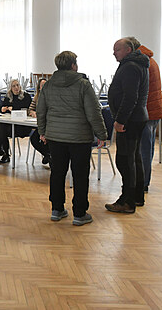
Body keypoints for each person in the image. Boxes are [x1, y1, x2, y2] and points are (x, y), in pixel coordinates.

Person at [37, 51, 107, 226]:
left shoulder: (48, 85)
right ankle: (79, 213)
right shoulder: (83, 84)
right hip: (79, 137)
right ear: (73, 65)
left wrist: (42, 131)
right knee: (80, 175)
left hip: (55, 137)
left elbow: (41, 110)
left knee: (57, 173)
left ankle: (57, 209)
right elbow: (94, 112)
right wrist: (102, 134)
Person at [105, 38, 149, 214]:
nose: (113, 53)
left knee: (125, 160)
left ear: (128, 50)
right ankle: (137, 196)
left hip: (130, 120)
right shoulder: (138, 63)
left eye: (117, 49)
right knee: (134, 158)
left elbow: (130, 97)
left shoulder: (130, 66)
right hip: (137, 117)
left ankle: (127, 201)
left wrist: (120, 120)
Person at [126, 37, 162, 194]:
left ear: (130, 49)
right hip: (152, 111)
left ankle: (141, 184)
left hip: (146, 112)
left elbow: (135, 92)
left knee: (142, 151)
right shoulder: (148, 59)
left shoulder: (141, 63)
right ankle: (143, 182)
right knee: (147, 150)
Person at [0, 79, 32, 164]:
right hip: (11, 124)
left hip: (23, 126)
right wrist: (2, 109)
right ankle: (4, 152)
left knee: (2, 130)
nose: (16, 87)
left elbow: (25, 110)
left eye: (17, 85)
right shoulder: (8, 96)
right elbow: (1, 107)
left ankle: (2, 151)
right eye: (14, 86)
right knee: (1, 126)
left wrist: (13, 109)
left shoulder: (26, 96)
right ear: (10, 88)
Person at [28, 78, 52, 166]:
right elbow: (30, 109)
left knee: (48, 139)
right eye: (42, 85)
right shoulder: (37, 97)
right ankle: (47, 155)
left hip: (49, 125)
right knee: (34, 139)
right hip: (39, 125)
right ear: (39, 88)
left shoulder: (52, 97)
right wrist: (33, 112)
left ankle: (49, 155)